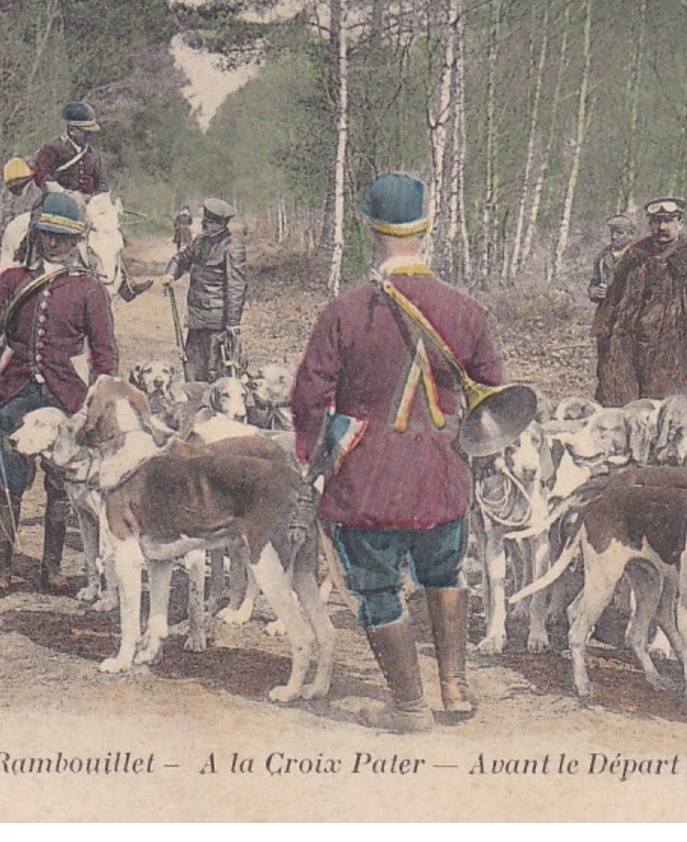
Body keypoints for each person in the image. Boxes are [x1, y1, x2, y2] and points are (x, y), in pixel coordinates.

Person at [290, 173, 506, 732]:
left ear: (369, 229)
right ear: (427, 228)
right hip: (442, 474)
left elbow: (310, 394)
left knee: (377, 588)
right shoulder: (465, 310)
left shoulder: (344, 310)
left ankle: (409, 706)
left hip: (368, 480)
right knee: (445, 571)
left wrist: (315, 461)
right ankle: (454, 687)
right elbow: (493, 396)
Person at [0, 191, 118, 596]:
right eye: (48, 234)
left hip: (66, 399)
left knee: (62, 486)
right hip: (15, 394)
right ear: (36, 234)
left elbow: (104, 356)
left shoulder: (89, 289)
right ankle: (1, 568)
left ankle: (51, 569)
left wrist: (95, 407)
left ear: (76, 241)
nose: (55, 243)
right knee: (9, 481)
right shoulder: (11, 281)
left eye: (63, 237)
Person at [592, 196, 687, 406]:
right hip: (628, 368)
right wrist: (610, 352)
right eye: (656, 221)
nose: (662, 227)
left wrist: (684, 351)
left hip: (672, 371)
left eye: (669, 220)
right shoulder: (632, 263)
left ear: (680, 223)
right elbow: (609, 311)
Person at [153, 197, 247, 382]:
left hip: (217, 322)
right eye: (204, 220)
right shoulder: (199, 241)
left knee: (215, 371)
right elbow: (180, 258)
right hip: (196, 318)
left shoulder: (232, 247)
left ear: (221, 223)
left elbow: (236, 288)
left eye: (209, 222)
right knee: (193, 369)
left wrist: (232, 323)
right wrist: (171, 274)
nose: (204, 224)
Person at [31, 100, 107, 198]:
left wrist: (96, 199)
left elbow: (102, 184)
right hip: (57, 205)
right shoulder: (52, 149)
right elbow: (44, 177)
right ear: (72, 130)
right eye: (85, 132)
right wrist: (69, 195)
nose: (89, 135)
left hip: (88, 206)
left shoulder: (91, 153)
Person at [588, 213, 636, 304]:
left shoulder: (638, 257)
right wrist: (595, 293)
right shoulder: (602, 257)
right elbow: (594, 284)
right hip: (606, 311)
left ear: (631, 235)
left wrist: (612, 292)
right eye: (612, 232)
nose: (614, 236)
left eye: (619, 233)